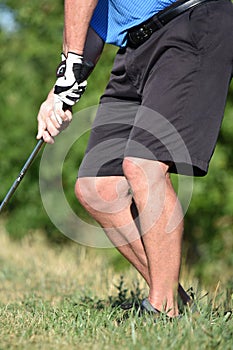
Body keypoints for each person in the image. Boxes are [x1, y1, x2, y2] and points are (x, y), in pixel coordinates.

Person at [37, 0, 233, 318]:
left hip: (190, 22)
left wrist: (70, 61)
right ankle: (178, 305)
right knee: (97, 187)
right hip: (136, 46)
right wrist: (58, 94)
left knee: (143, 165)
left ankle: (161, 310)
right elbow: (95, 27)